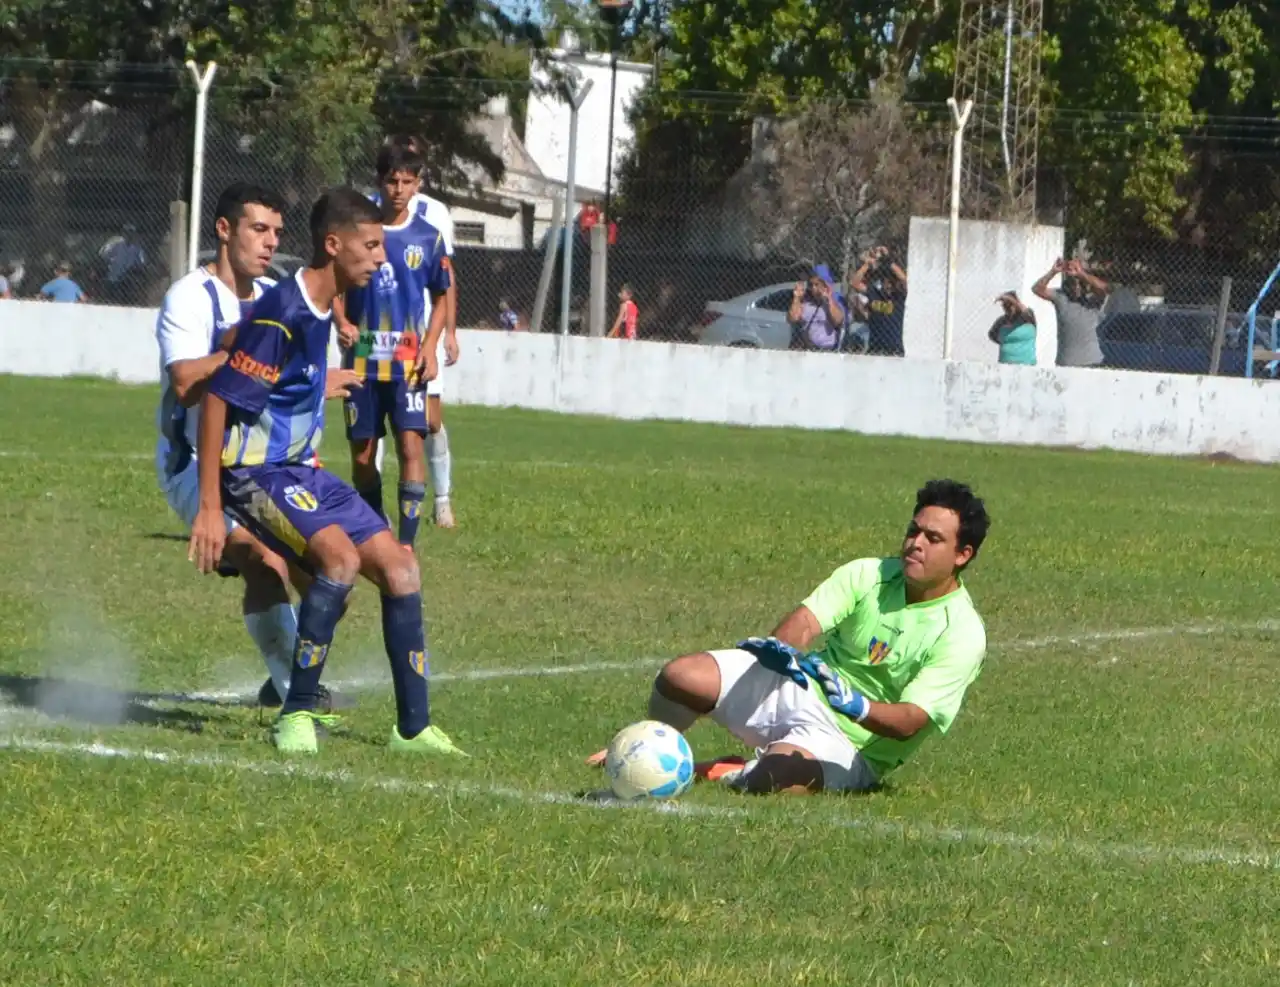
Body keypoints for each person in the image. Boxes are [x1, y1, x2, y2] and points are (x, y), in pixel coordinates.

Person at [188, 187, 465, 757]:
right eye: (372, 246)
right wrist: (210, 507)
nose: (382, 259)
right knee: (339, 561)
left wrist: (317, 383)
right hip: (255, 473)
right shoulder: (286, 312)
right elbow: (216, 401)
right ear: (334, 246)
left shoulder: (319, 307)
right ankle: (295, 715)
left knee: (402, 568)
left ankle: (413, 729)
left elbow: (278, 378)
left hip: (299, 470)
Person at [587, 479, 990, 794]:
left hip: (851, 744)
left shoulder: (962, 633)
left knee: (771, 779)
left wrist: (858, 707)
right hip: (802, 687)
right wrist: (780, 650)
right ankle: (648, 751)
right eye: (913, 531)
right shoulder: (870, 574)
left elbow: (910, 721)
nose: (915, 544)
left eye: (933, 539)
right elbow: (805, 623)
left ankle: (726, 769)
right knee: (681, 676)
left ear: (963, 555)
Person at [154, 182, 358, 710]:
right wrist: (245, 358)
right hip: (195, 465)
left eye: (277, 233)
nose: (270, 243)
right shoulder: (190, 297)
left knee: (332, 575)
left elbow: (289, 377)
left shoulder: (278, 296)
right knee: (265, 561)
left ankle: (282, 675)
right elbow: (185, 383)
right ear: (224, 230)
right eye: (258, 229)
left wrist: (314, 381)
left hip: (264, 467)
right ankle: (299, 698)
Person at [335, 143, 451, 553]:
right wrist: (341, 320)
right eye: (391, 181)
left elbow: (442, 295)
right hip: (361, 363)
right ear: (379, 181)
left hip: (408, 363)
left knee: (410, 446)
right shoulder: (356, 232)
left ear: (418, 184)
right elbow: (331, 280)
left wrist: (431, 346)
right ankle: (374, 530)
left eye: (407, 181)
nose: (399, 190)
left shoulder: (428, 237)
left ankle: (405, 543)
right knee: (362, 456)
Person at [1033, 258, 1110, 368]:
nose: (1076, 287)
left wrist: (1081, 273)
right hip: (1066, 363)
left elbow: (1106, 288)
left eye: (1079, 283)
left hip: (1092, 363)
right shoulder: (1061, 298)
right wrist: (1053, 271)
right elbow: (1037, 289)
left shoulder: (1093, 301)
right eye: (1072, 283)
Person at [850, 246, 908, 357]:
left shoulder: (898, 296)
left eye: (892, 282)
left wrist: (887, 260)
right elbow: (854, 283)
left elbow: (904, 280)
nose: (889, 285)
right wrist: (868, 263)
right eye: (886, 281)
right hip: (875, 347)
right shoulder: (875, 292)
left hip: (894, 349)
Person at [787, 265, 847, 351]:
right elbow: (793, 318)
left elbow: (838, 320)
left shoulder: (835, 301)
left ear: (825, 285)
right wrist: (796, 297)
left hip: (828, 349)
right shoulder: (806, 303)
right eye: (811, 285)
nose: (813, 288)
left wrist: (829, 299)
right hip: (808, 349)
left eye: (817, 285)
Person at [988, 291, 1038, 365]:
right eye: (1004, 305)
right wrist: (1007, 346)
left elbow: (1025, 310)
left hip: (1026, 364)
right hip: (1005, 364)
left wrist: (1010, 299)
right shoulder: (1002, 321)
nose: (1007, 308)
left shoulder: (1027, 317)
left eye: (1010, 305)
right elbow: (992, 334)